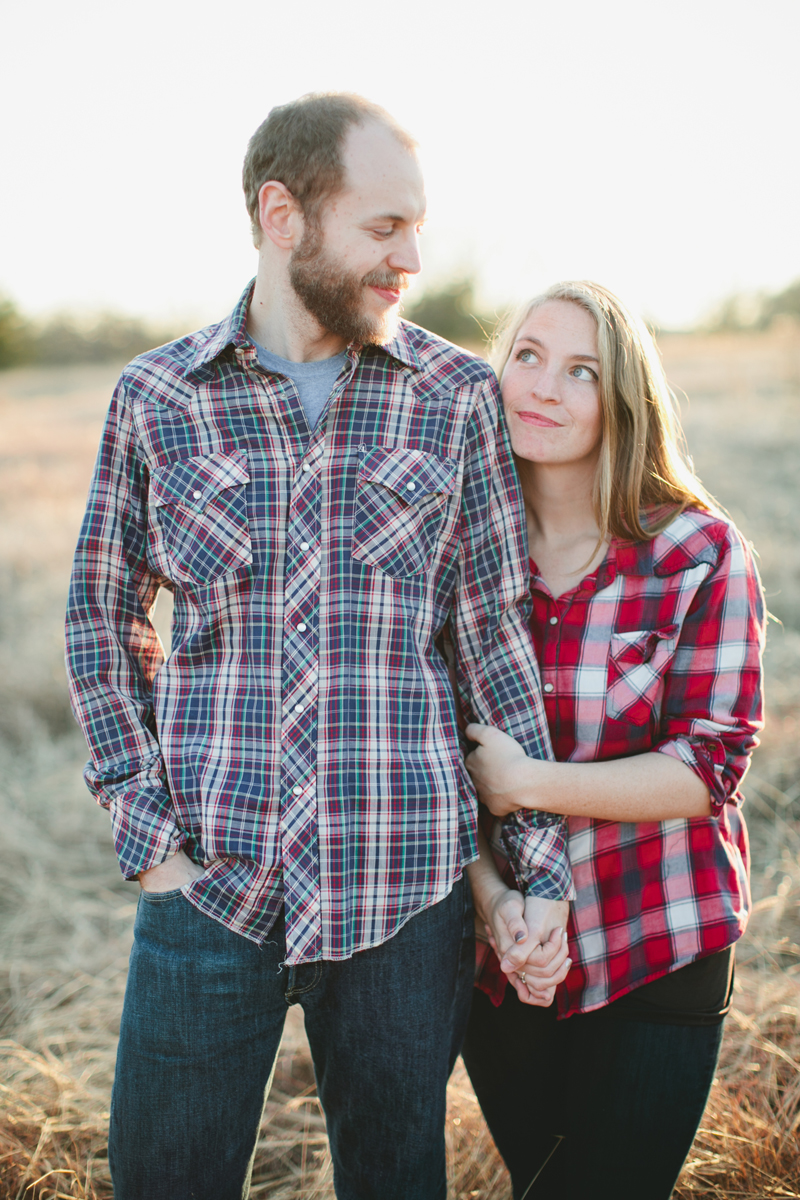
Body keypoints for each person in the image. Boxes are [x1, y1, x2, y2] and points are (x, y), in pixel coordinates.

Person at [64, 93, 571, 1200]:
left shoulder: (452, 400)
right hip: (210, 894)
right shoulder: (158, 399)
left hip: (405, 898)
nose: (413, 259)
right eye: (384, 229)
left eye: (417, 227)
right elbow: (101, 618)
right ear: (280, 213)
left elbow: (490, 639)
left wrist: (538, 868)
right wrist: (154, 841)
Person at [461, 281, 765, 1200]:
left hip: (656, 937)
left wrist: (530, 782)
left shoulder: (695, 555)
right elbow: (430, 763)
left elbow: (710, 766)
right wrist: (490, 901)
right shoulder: (460, 554)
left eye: (580, 371)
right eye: (527, 356)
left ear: (621, 400)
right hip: (507, 955)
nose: (544, 387)